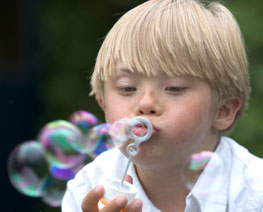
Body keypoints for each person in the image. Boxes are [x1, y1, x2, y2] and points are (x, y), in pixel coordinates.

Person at [62, 0, 263, 211]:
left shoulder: (254, 195)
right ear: (103, 105)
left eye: (174, 88)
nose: (146, 103)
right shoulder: (88, 189)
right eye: (127, 88)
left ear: (223, 111)